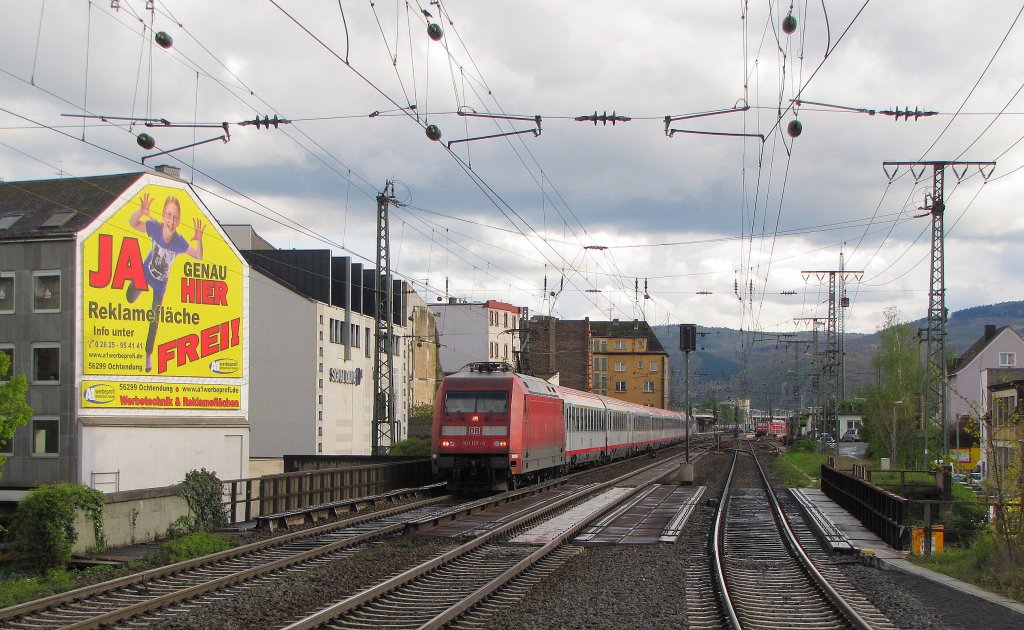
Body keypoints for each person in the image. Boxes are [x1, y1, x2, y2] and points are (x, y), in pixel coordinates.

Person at [126, 192, 204, 372]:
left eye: (175, 218)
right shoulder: (154, 227)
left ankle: (148, 355)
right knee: (130, 298)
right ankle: (133, 281)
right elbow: (133, 223)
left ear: (178, 221)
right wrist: (141, 210)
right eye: (169, 215)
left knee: (154, 320)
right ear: (163, 216)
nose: (172, 220)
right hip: (145, 273)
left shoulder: (179, 241)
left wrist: (199, 240)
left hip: (161, 285)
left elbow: (198, 256)